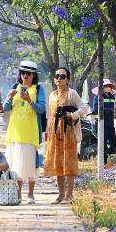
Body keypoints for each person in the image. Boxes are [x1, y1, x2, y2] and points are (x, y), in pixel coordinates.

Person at [3, 61, 46, 203]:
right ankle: (19, 194)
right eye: (23, 73)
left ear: (34, 75)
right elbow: (5, 109)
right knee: (16, 164)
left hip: (30, 132)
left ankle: (31, 194)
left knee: (30, 163)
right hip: (15, 131)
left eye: (28, 73)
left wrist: (29, 100)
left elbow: (41, 109)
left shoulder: (39, 89)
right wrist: (9, 98)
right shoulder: (14, 87)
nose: (25, 76)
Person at [43, 66, 86, 202]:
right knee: (58, 163)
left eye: (62, 76)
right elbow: (50, 115)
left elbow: (84, 108)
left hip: (69, 133)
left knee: (69, 163)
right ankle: (61, 194)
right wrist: (47, 132)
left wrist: (72, 115)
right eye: (57, 76)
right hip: (55, 133)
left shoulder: (71, 93)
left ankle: (69, 195)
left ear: (67, 80)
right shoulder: (52, 95)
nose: (59, 79)